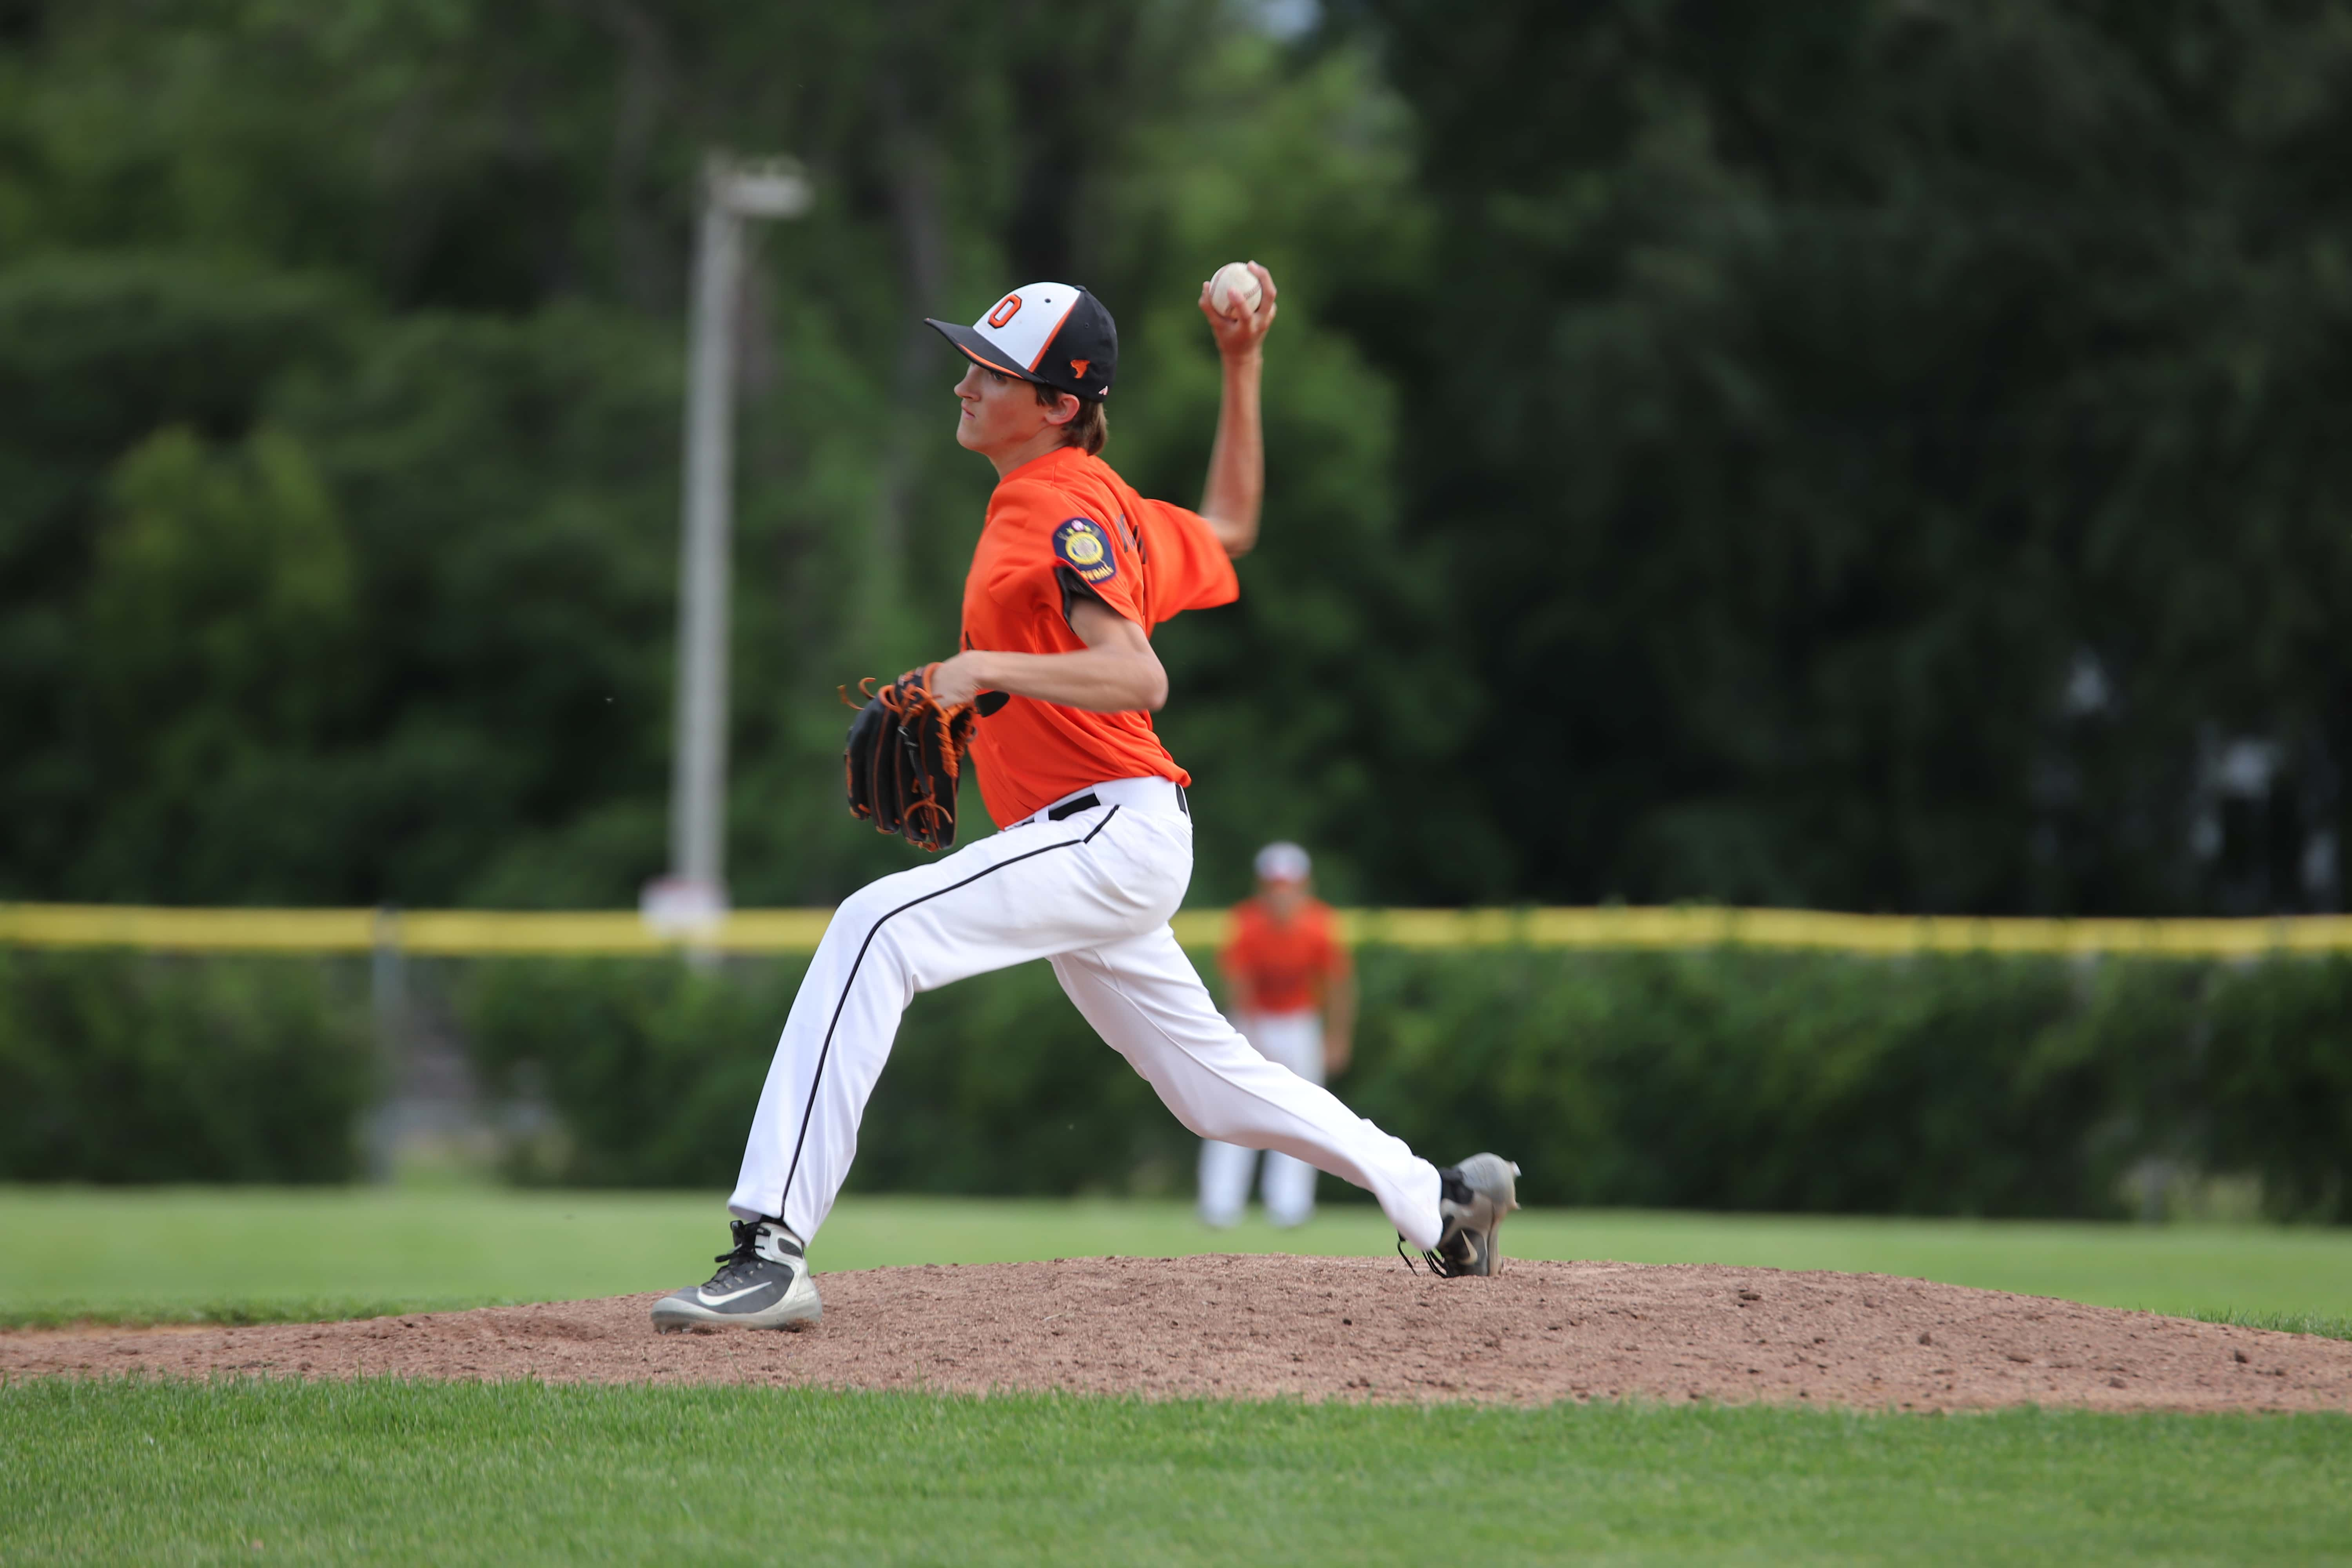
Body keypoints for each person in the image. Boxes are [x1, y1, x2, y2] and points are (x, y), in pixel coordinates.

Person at [652, 268, 1518, 1332]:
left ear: (1059, 405)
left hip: (1108, 826)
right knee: (1211, 1089)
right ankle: (1440, 1200)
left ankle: (770, 1247)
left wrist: (980, 672)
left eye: (993, 371)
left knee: (873, 926)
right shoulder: (1111, 511)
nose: (965, 382)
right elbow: (1235, 522)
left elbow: (1139, 676)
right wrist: (1241, 364)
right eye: (970, 361)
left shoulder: (1050, 504)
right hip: (1106, 838)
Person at [1199, 841, 1355, 1229]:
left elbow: (1339, 985)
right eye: (1275, 885)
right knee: (1234, 1110)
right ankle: (1220, 1204)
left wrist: (1337, 1038)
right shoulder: (1248, 923)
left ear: (1304, 886)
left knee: (1303, 1114)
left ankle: (1290, 1205)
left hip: (1301, 1023)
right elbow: (1238, 982)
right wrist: (1249, 1034)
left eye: (1289, 885)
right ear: (1263, 886)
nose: (1282, 894)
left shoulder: (1319, 924)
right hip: (1255, 1022)